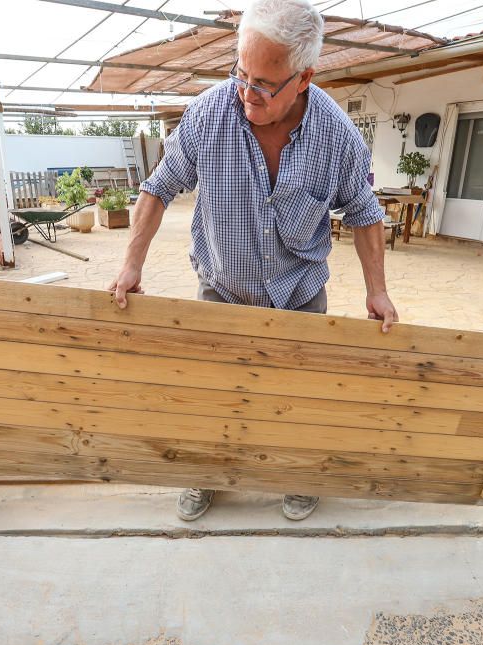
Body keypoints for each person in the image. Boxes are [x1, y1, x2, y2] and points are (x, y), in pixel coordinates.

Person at [108, 0, 397, 522]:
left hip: (300, 293)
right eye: (240, 73)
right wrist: (132, 264)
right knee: (214, 392)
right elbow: (157, 188)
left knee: (298, 397)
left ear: (304, 77)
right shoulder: (208, 115)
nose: (247, 92)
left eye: (264, 83)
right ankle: (204, 474)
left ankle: (298, 475)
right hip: (222, 287)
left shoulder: (338, 137)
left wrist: (376, 291)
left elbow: (364, 213)